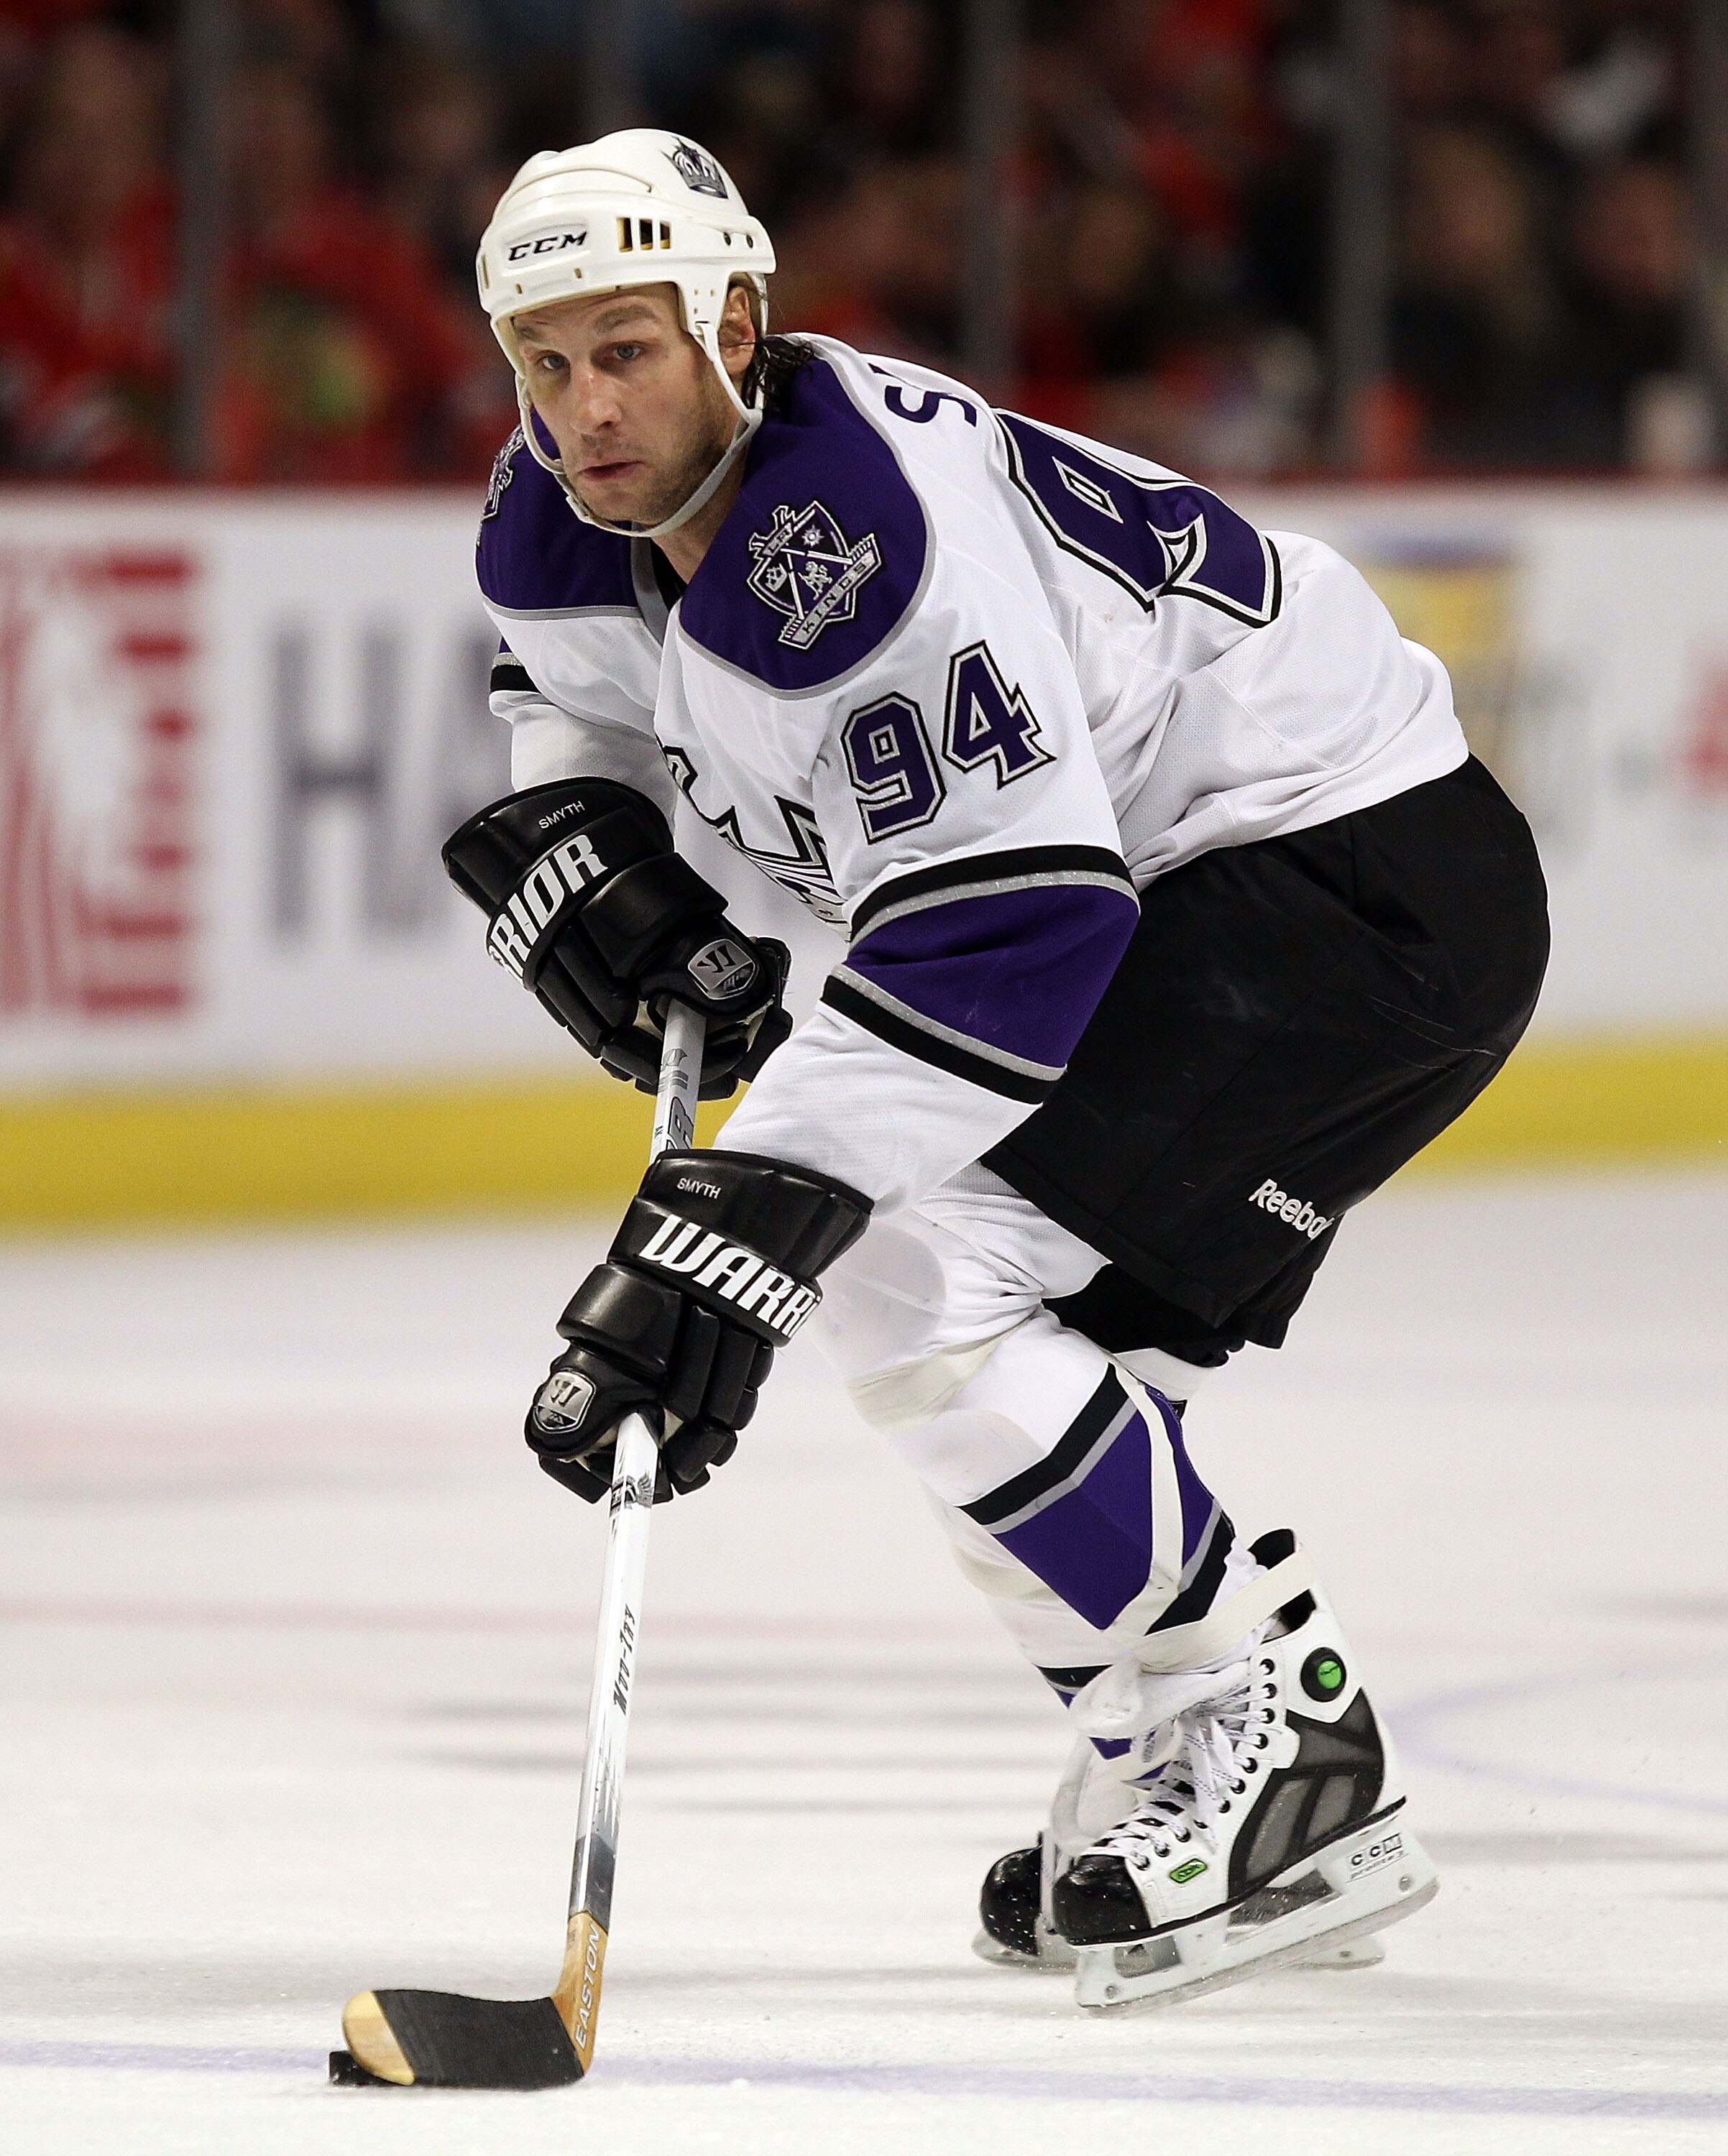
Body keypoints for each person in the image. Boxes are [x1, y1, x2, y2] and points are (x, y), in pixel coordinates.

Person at [445, 130, 1549, 2011]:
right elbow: (575, 697)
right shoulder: (568, 506)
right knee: (943, 1304)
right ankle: (1179, 1735)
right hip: (1208, 887)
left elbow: (1002, 933)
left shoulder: (862, 552)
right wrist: (589, 845)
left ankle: (1263, 1746)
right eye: (542, 362)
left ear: (735, 323)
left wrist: (732, 1230)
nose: (580, 408)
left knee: (916, 1270)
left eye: (623, 348)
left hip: (1350, 887)